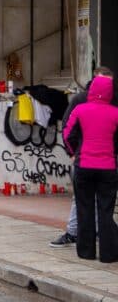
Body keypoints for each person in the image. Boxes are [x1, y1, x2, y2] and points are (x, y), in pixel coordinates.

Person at [50, 67, 116, 248]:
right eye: (104, 80)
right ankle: (75, 232)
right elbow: (67, 127)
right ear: (94, 80)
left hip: (105, 159)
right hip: (83, 156)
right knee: (83, 199)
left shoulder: (113, 100)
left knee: (98, 201)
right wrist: (72, 152)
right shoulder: (80, 99)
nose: (108, 85)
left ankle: (96, 236)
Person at [63, 75, 118, 262]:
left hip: (84, 165)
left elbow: (67, 134)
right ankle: (109, 254)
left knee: (84, 208)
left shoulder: (80, 110)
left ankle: (86, 252)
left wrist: (74, 153)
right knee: (106, 210)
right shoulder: (115, 113)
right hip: (108, 167)